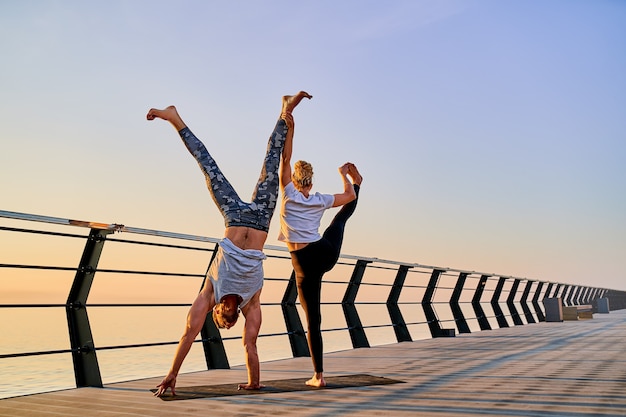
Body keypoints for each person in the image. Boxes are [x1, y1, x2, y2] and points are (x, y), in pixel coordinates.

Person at [147, 91, 312, 396]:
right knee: (273, 160)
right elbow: (250, 344)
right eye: (228, 320)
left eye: (221, 318)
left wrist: (172, 374)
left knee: (207, 166)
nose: (226, 315)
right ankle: (285, 110)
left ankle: (174, 118)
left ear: (217, 311)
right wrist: (254, 383)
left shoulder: (211, 293)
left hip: (234, 216)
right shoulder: (251, 303)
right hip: (261, 218)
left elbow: (188, 334)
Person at [278, 141, 362, 387]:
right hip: (324, 254)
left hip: (302, 265)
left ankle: (318, 376)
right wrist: (345, 177)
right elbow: (349, 197)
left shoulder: (288, 194)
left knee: (313, 321)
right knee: (339, 220)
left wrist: (289, 120)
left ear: (293, 180)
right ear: (311, 183)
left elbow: (285, 158)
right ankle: (360, 181)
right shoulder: (319, 199)